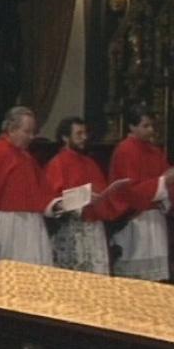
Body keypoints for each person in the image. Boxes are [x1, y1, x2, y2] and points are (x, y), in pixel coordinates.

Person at [0, 106, 58, 265]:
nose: (31, 137)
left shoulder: (26, 156)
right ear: (11, 129)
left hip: (33, 223)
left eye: (33, 132)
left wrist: (57, 204)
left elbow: (42, 192)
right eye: (27, 131)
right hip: (8, 225)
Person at [108, 104, 173, 281]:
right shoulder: (125, 150)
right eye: (146, 126)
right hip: (135, 221)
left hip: (155, 220)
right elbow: (128, 190)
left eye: (152, 125)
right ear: (131, 126)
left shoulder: (154, 151)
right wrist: (162, 182)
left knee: (157, 279)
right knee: (135, 278)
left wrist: (167, 183)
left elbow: (167, 179)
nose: (151, 130)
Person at [44, 116, 114, 274]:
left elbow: (102, 190)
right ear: (65, 137)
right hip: (71, 229)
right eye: (79, 134)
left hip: (94, 228)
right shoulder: (57, 164)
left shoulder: (90, 162)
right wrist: (81, 198)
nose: (84, 137)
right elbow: (53, 200)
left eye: (85, 133)